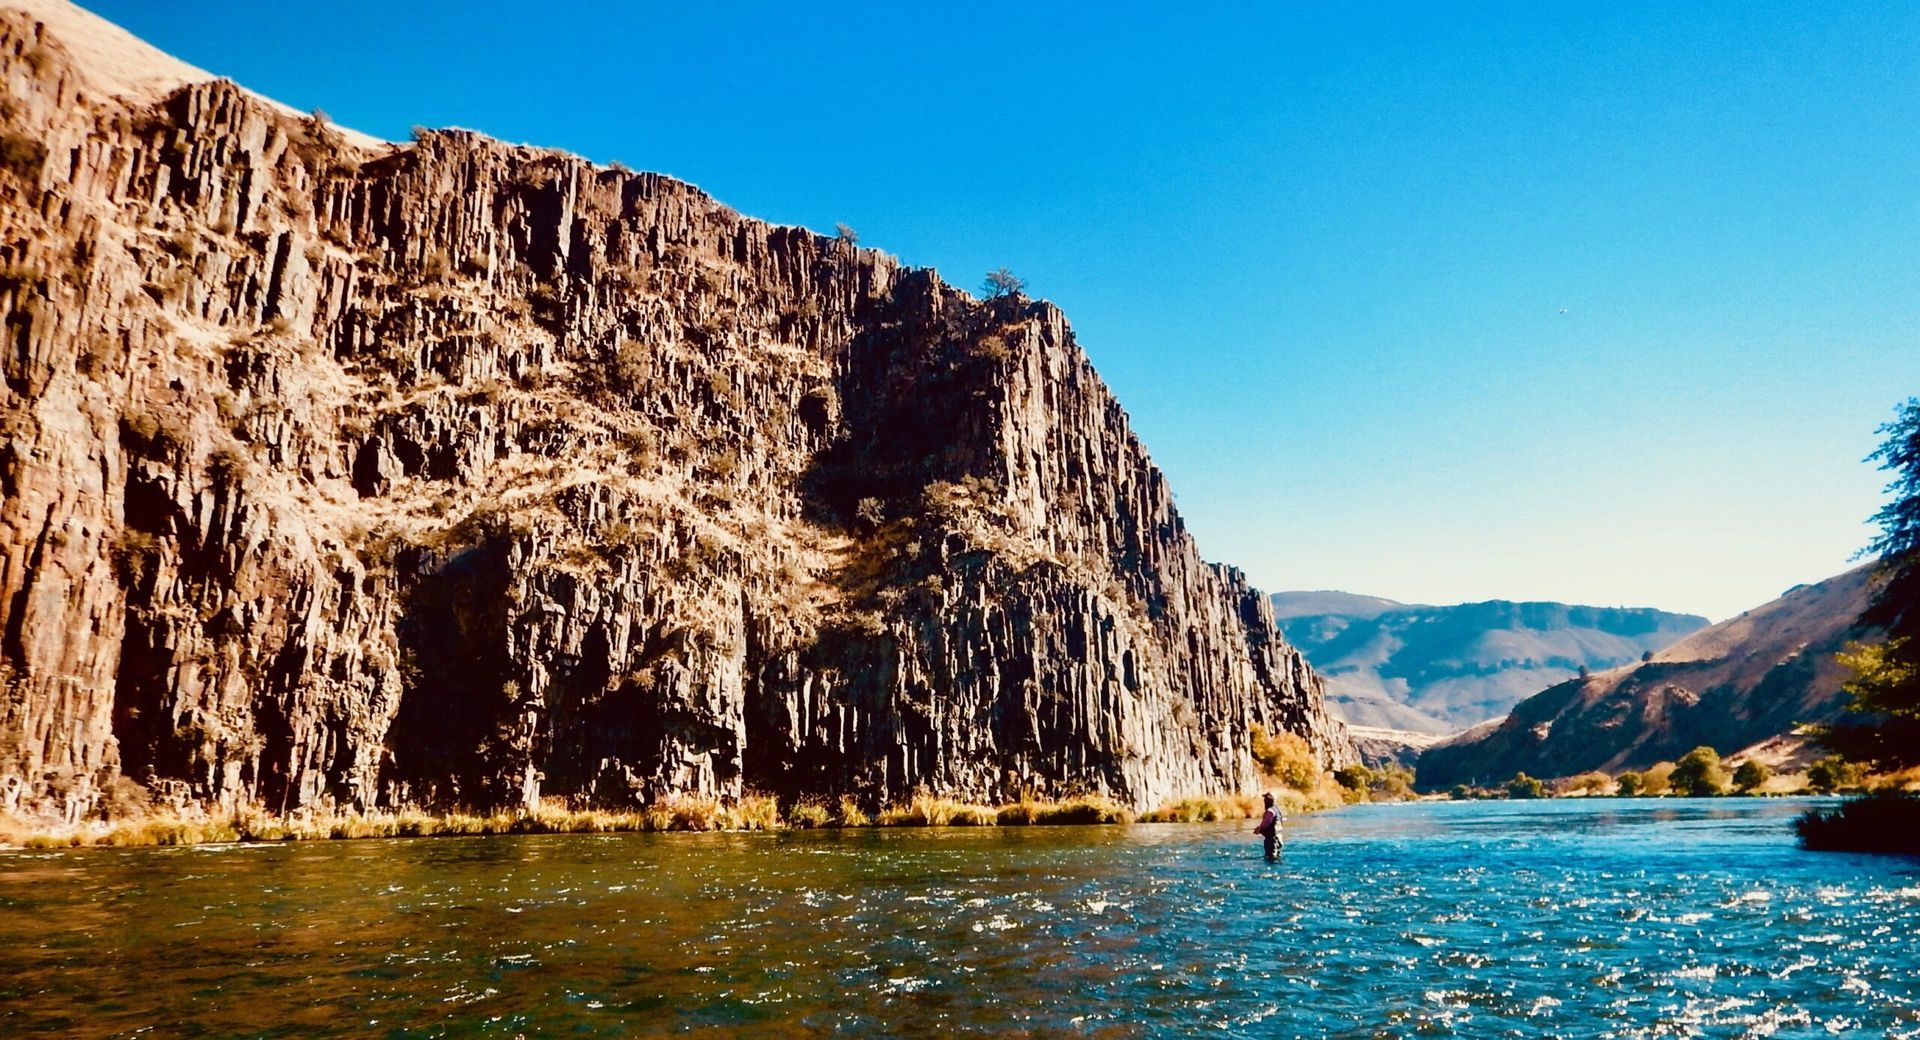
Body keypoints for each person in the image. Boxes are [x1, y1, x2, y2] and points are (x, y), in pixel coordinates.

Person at [1253, 792, 1282, 861]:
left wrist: (1259, 829)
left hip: (1272, 840)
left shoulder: (1270, 811)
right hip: (1278, 838)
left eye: (1265, 799)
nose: (1264, 801)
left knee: (1271, 859)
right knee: (1276, 858)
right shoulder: (1277, 810)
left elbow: (1266, 823)